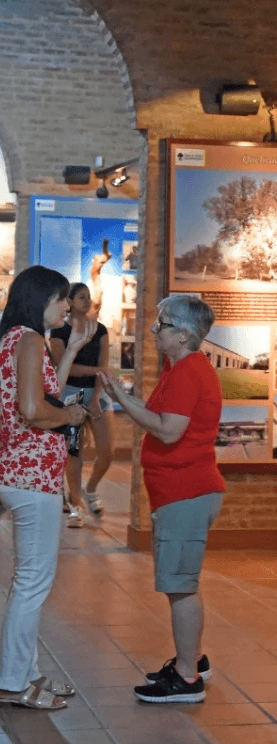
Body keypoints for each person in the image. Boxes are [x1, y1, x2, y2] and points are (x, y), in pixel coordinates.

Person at [99, 294, 225, 704]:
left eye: (163, 324)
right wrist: (124, 397)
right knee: (181, 582)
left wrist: (122, 401)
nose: (155, 330)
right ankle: (194, 659)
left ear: (185, 335)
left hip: (186, 492)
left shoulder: (190, 372)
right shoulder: (181, 369)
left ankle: (188, 680)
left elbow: (167, 431)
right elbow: (161, 422)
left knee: (181, 586)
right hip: (178, 492)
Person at [0, 265, 95, 710]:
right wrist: (72, 417)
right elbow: (36, 409)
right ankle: (14, 682)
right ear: (42, 299)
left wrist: (73, 347)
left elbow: (45, 387)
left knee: (28, 583)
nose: (67, 307)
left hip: (17, 471)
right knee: (32, 583)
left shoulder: (15, 339)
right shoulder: (31, 339)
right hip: (31, 475)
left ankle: (28, 673)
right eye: (61, 299)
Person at [50, 282, 114, 525]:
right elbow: (63, 367)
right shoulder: (59, 330)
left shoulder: (100, 330)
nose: (87, 301)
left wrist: (97, 397)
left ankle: (91, 488)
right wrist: (97, 370)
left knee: (107, 450)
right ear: (70, 301)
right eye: (81, 297)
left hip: (98, 393)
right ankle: (75, 505)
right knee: (74, 452)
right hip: (71, 395)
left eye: (88, 297)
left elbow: (104, 365)